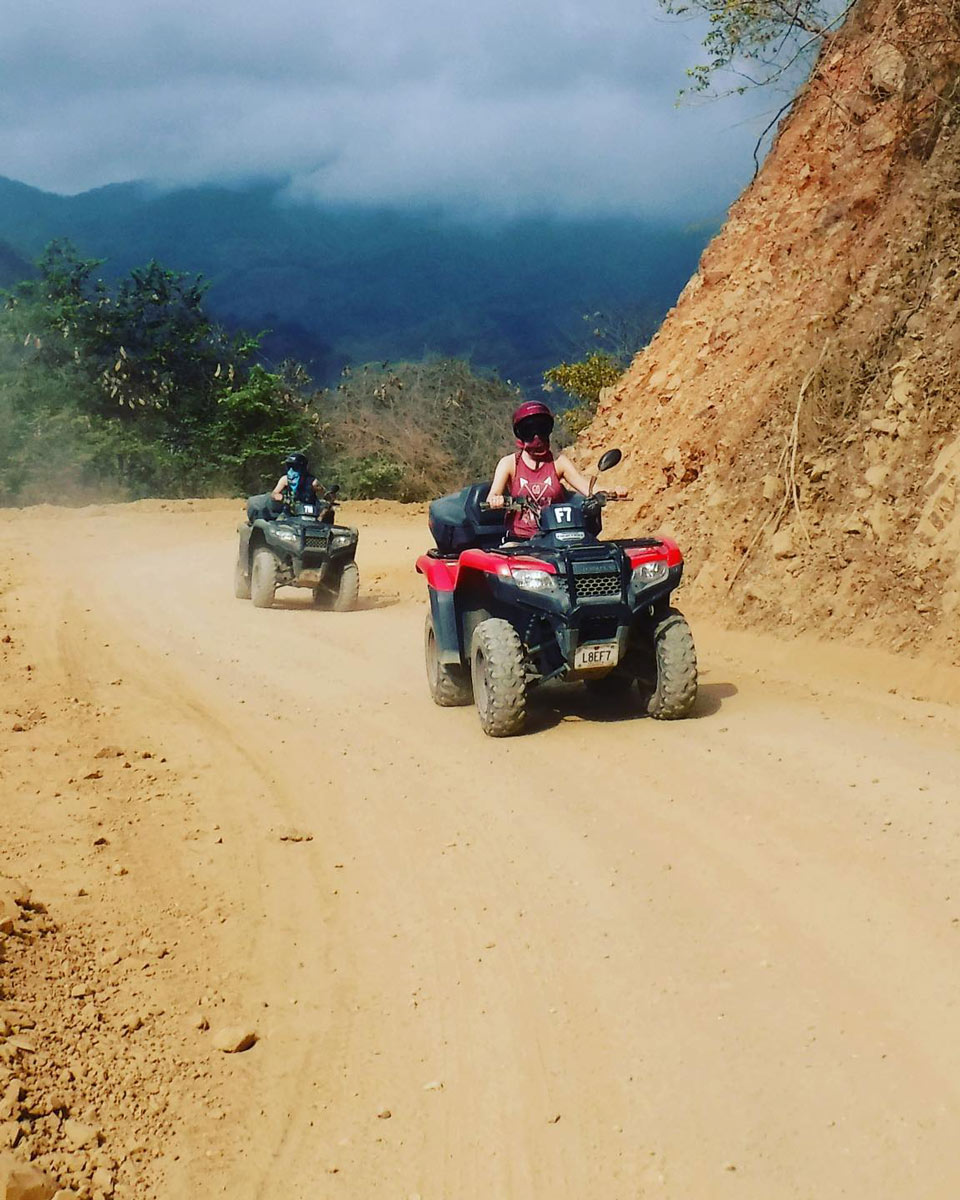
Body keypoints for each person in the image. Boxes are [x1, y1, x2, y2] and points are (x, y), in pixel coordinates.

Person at [486, 401, 627, 539]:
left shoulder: (558, 462)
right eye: (529, 430)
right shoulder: (509, 464)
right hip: (520, 541)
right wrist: (496, 500)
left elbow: (586, 488)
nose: (536, 436)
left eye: (542, 429)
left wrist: (612, 492)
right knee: (509, 560)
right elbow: (493, 494)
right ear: (520, 434)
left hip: (555, 538)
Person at [246, 452, 324, 524]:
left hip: (310, 514)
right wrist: (278, 496)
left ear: (302, 468)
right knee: (277, 527)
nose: (291, 471)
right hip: (289, 513)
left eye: (295, 467)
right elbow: (274, 493)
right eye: (290, 467)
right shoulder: (285, 480)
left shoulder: (313, 482)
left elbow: (324, 495)